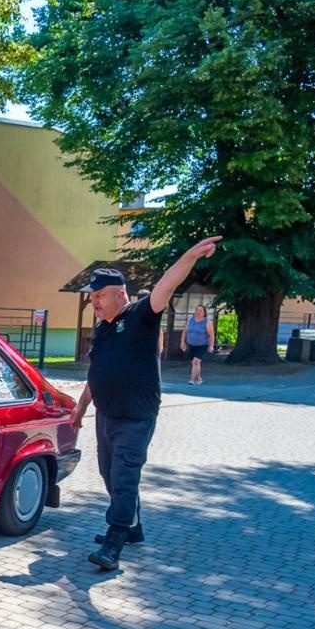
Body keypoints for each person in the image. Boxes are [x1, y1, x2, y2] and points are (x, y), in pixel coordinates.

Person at [72, 236, 222, 571]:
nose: (94, 302)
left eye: (99, 296)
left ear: (120, 294)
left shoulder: (140, 315)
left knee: (124, 476)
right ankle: (133, 526)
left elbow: (166, 285)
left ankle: (114, 542)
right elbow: (97, 373)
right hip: (106, 414)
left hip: (136, 416)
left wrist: (190, 255)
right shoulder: (102, 330)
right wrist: (81, 408)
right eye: (92, 297)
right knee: (109, 475)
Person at [184, 304, 214, 385]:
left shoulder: (207, 322)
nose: (198, 312)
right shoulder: (191, 320)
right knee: (194, 363)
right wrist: (182, 342)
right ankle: (198, 378)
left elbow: (211, 335)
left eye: (201, 310)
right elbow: (185, 331)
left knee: (196, 362)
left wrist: (211, 346)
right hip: (191, 344)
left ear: (204, 313)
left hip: (202, 344)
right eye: (197, 310)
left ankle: (192, 380)